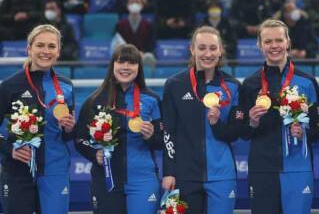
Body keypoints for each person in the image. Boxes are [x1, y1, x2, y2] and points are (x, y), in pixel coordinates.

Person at [240, 19, 319, 214]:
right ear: (260, 45)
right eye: (268, 42)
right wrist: (252, 122)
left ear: (288, 42)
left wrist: (304, 132)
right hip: (262, 168)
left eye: (278, 40)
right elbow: (242, 132)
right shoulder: (250, 84)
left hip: (298, 167)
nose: (274, 46)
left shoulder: (307, 82)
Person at [162, 26, 243, 214]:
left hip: (222, 175)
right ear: (192, 50)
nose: (208, 54)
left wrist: (216, 124)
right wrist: (169, 172)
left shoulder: (233, 86)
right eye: (202, 48)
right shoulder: (175, 85)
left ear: (221, 49)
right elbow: (169, 134)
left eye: (213, 48)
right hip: (184, 175)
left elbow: (235, 133)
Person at [75, 44, 163, 214]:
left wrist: (152, 136)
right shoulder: (94, 101)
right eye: (121, 62)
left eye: (132, 63)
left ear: (139, 67)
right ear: (113, 65)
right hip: (106, 181)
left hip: (142, 180)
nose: (126, 67)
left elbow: (164, 141)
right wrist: (94, 154)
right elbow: (80, 139)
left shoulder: (152, 100)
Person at [0, 24, 76, 213]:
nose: (45, 51)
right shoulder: (9, 86)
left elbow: (68, 136)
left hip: (55, 171)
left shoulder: (66, 87)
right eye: (40, 45)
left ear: (58, 51)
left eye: (51, 46)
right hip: (18, 171)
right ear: (29, 49)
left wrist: (69, 128)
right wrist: (10, 149)